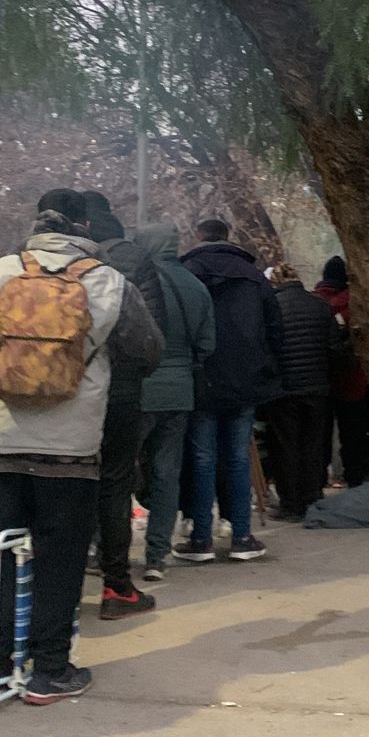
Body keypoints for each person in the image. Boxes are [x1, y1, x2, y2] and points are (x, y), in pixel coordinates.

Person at [0, 199, 162, 702]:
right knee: (60, 559)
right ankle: (50, 671)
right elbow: (148, 353)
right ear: (86, 230)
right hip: (70, 449)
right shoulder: (109, 281)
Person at [41, 190, 167, 619]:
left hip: (55, 391)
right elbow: (152, 339)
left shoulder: (25, 263)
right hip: (121, 393)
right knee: (115, 483)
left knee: (64, 484)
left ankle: (57, 588)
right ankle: (117, 589)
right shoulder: (129, 264)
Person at [179, 217, 284, 562]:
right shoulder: (254, 277)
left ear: (198, 237)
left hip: (202, 379)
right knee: (238, 458)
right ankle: (242, 536)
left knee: (202, 458)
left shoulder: (188, 272)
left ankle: (201, 540)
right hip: (245, 379)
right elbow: (275, 330)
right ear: (228, 237)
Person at [133, 222, 215, 582]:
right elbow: (207, 344)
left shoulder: (137, 283)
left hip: (140, 389)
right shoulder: (196, 287)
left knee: (122, 469)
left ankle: (109, 549)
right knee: (168, 474)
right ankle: (156, 556)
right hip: (180, 392)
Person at [264, 263, 344, 519]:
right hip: (317, 388)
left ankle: (290, 503)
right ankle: (311, 497)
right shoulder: (319, 305)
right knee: (313, 444)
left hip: (284, 390)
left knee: (285, 446)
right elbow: (334, 347)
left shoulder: (271, 308)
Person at [314, 256, 369, 488]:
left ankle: (319, 479)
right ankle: (355, 478)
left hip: (319, 379)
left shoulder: (314, 303)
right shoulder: (356, 302)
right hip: (353, 381)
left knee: (319, 435)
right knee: (353, 434)